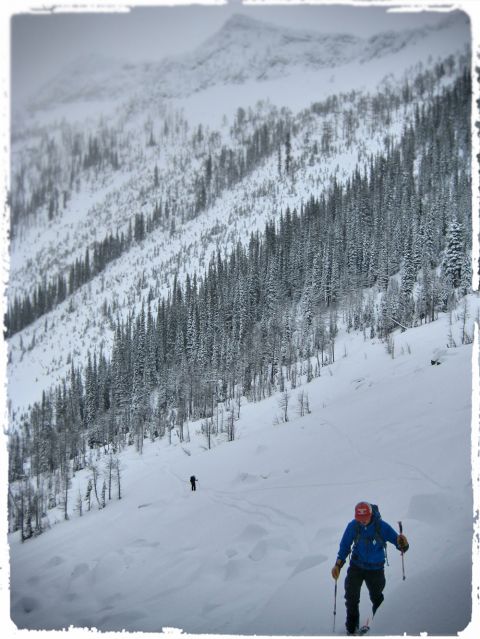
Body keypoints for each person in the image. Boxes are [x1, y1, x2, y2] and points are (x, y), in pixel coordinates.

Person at [331, 502, 409, 635]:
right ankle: (351, 629)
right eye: (359, 519)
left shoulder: (381, 526)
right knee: (351, 597)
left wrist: (403, 543)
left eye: (365, 518)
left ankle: (381, 628)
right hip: (356, 566)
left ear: (371, 515)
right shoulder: (353, 526)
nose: (362, 522)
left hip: (375, 569)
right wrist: (338, 565)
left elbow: (399, 543)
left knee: (377, 598)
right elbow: (345, 546)